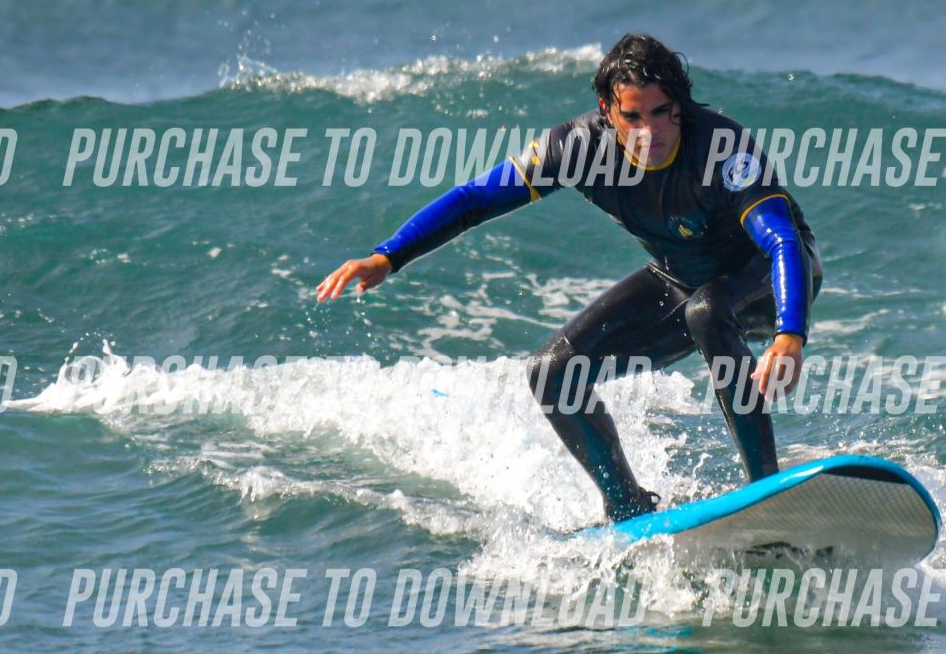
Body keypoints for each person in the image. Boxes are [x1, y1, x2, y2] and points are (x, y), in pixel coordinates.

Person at [315, 33, 820, 522]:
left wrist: (790, 334)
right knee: (552, 372)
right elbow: (475, 199)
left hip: (770, 277)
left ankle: (765, 493)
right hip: (679, 279)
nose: (649, 131)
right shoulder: (578, 147)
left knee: (707, 311)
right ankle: (626, 508)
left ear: (679, 106)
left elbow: (781, 240)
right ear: (607, 111)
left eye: (661, 112)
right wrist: (388, 256)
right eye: (632, 117)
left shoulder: (721, 147)